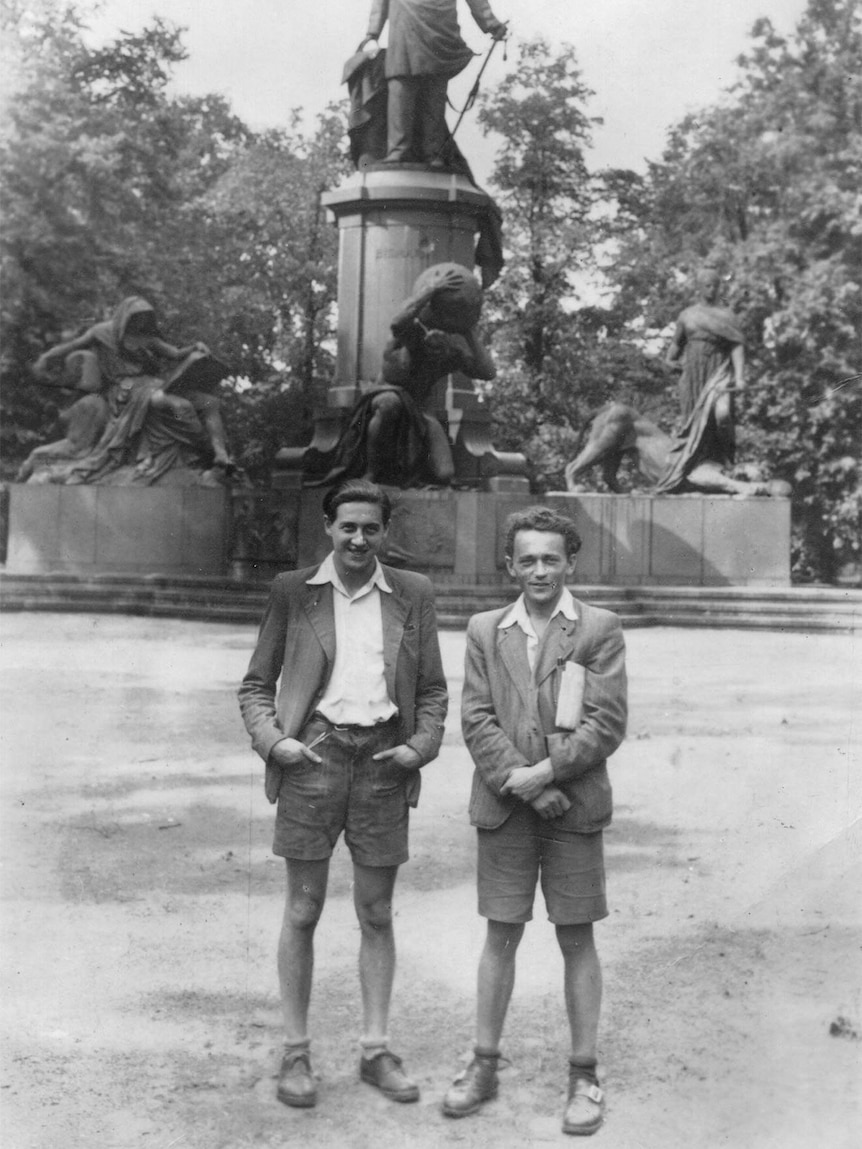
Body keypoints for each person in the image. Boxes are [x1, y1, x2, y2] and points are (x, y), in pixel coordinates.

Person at [238, 479, 448, 1109]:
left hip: (384, 762)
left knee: (376, 913)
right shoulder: (291, 591)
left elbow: (433, 690)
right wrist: (276, 744)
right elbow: (255, 685)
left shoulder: (413, 593)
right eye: (347, 527)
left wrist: (421, 746)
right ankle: (296, 1052)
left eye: (372, 528)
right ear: (328, 528)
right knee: (302, 911)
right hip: (314, 761)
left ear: (386, 533)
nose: (359, 538)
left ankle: (375, 1049)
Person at [442, 505, 627, 1136]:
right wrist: (522, 786)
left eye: (551, 558)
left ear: (571, 562)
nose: (539, 570)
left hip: (572, 806)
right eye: (527, 559)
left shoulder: (598, 628)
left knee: (577, 937)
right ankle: (484, 1062)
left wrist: (546, 775)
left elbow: (605, 723)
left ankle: (584, 1074)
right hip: (506, 808)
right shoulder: (484, 628)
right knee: (501, 934)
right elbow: (475, 718)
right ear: (510, 565)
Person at [318, 262, 496, 487]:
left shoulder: (447, 352)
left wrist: (468, 330)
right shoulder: (408, 335)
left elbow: (488, 372)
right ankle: (371, 473)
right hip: (383, 395)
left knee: (444, 475)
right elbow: (398, 321)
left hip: (420, 411)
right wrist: (431, 289)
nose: (437, 343)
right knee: (390, 404)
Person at [28, 296, 231, 483]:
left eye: (145, 318)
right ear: (126, 316)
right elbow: (72, 345)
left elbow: (175, 353)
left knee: (210, 403)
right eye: (137, 317)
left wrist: (195, 348)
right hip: (127, 388)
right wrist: (46, 358)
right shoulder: (102, 332)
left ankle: (220, 453)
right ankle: (202, 450)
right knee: (178, 406)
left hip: (153, 384)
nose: (141, 322)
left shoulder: (147, 338)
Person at [360, 0, 508, 166]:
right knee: (401, 86)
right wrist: (372, 33)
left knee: (433, 92)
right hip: (405, 23)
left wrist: (491, 24)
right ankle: (399, 151)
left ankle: (432, 153)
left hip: (438, 28)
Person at [657, 265, 746, 493]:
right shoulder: (687, 315)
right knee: (693, 421)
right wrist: (669, 360)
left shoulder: (727, 316)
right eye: (707, 285)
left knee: (722, 413)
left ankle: (725, 458)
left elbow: (736, 346)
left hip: (718, 372)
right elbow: (677, 344)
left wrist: (740, 376)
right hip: (693, 375)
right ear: (699, 287)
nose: (712, 289)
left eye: (715, 285)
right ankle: (695, 465)